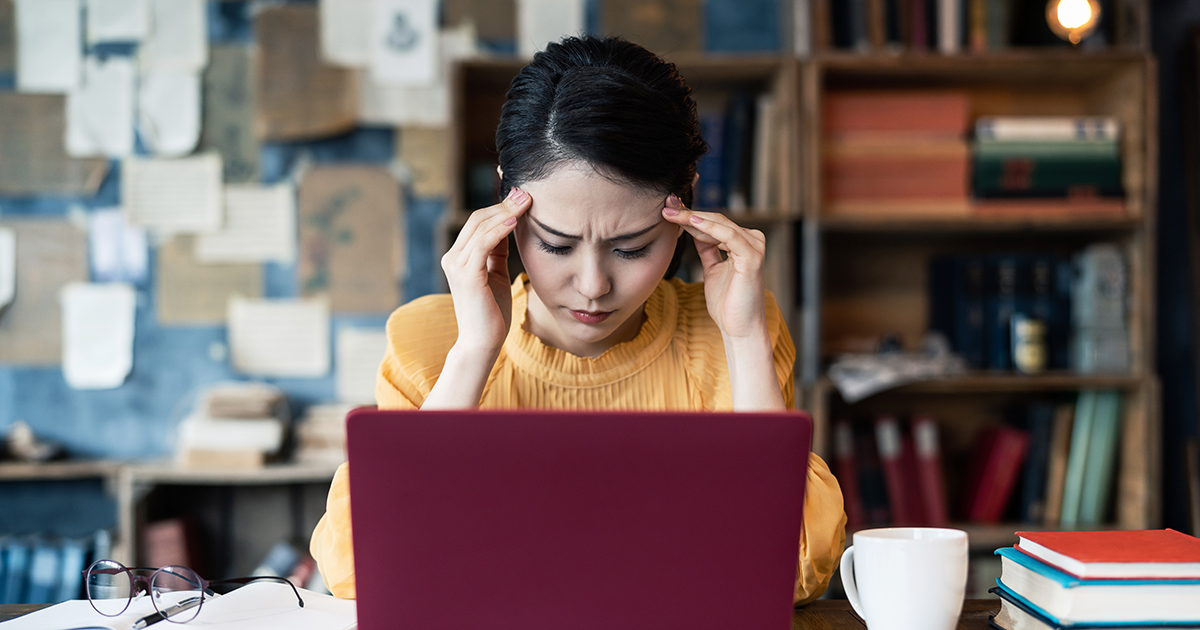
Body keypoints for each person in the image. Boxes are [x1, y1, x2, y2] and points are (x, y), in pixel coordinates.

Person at [311, 35, 846, 605]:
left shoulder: (731, 332)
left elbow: (792, 574)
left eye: (632, 248)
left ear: (685, 208)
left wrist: (743, 342)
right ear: (504, 207)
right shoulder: (429, 342)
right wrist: (473, 354)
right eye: (557, 245)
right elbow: (356, 571)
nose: (593, 285)